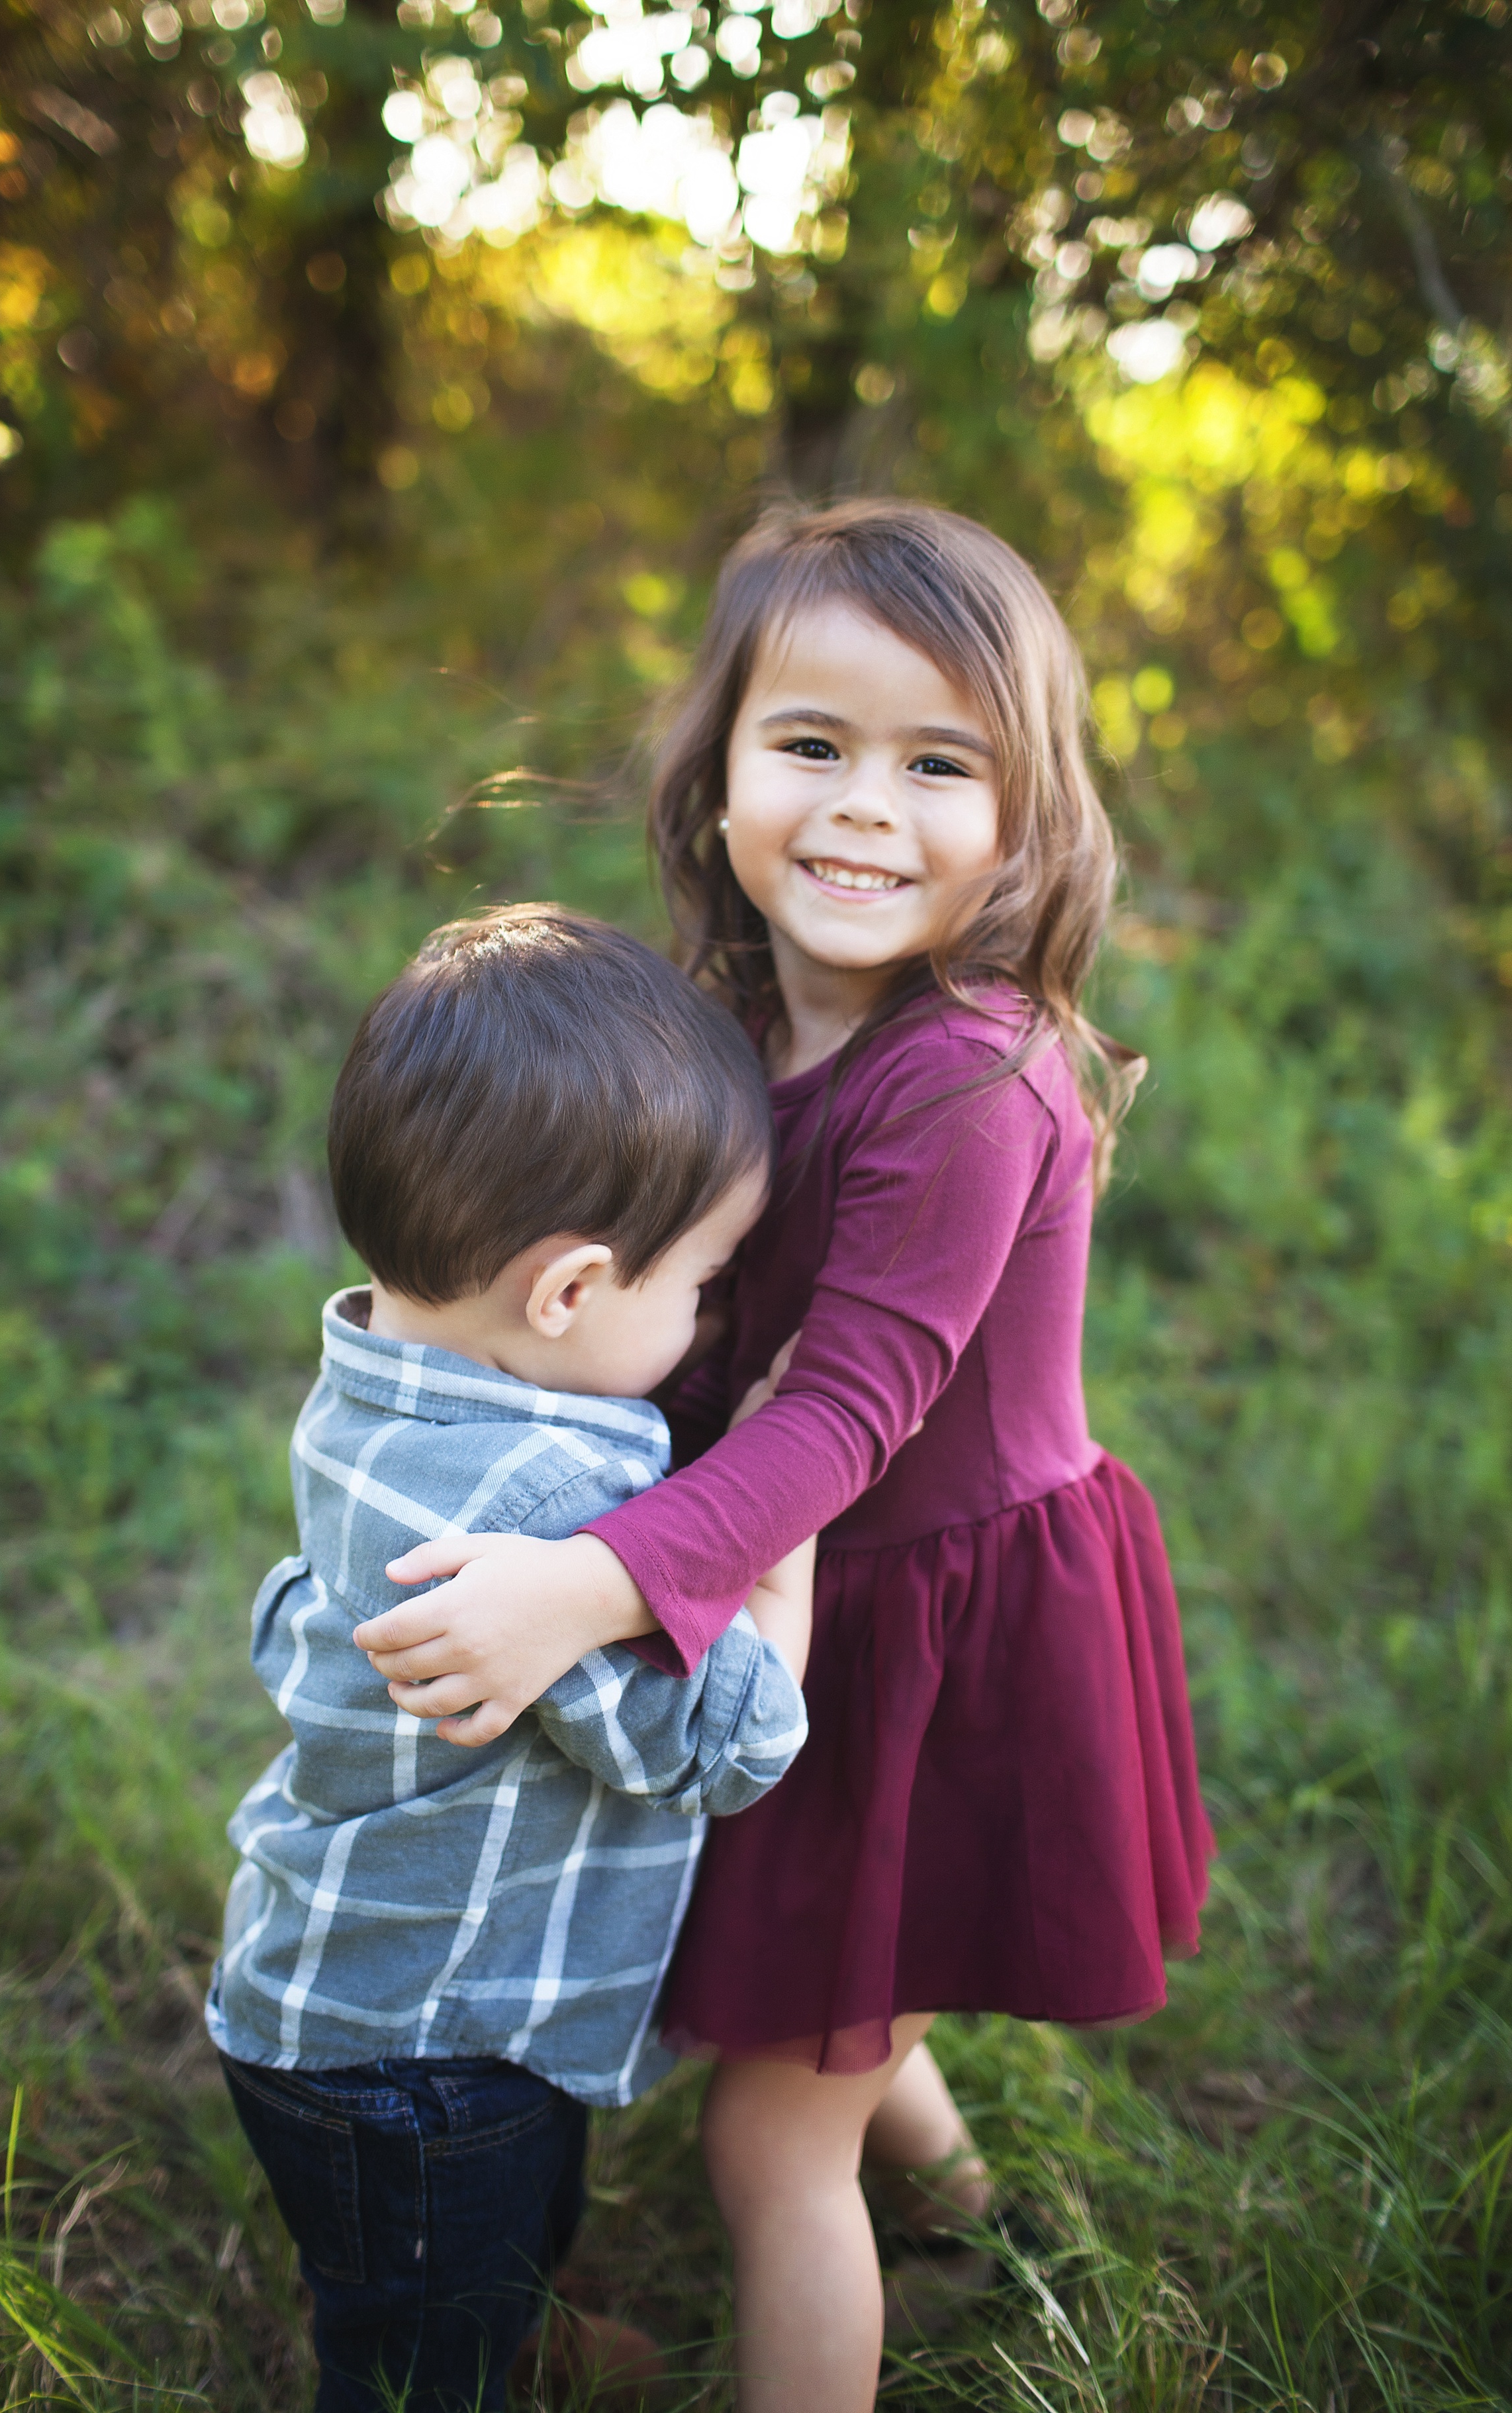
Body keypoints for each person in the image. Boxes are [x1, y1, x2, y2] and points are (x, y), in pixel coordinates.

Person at [354, 501, 1215, 2412]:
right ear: (721, 765)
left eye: (937, 763)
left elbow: (839, 1410)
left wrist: (581, 1581)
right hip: (795, 1576)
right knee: (832, 1942)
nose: (861, 807)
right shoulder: (730, 1023)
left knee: (770, 2131)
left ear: (1024, 815)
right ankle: (976, 2202)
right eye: (811, 744)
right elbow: (658, 1312)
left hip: (946, 1619)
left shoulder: (968, 1077)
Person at [205, 906, 813, 2413]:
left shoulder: (371, 1370)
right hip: (427, 2054)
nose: (709, 1320)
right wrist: (787, 1530)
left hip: (345, 2002)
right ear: (566, 1292)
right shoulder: (550, 1522)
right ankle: (459, 2347)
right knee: (417, 2349)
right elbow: (719, 1743)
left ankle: (508, 2314)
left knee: (487, 2224)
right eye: (702, 1284)